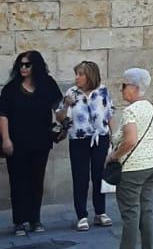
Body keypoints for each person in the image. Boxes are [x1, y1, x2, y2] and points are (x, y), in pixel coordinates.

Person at [0, 50, 62, 237]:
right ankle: (20, 221)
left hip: (41, 141)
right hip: (17, 142)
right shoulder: (11, 89)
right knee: (18, 181)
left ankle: (35, 219)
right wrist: (5, 139)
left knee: (36, 180)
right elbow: (3, 115)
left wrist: (64, 117)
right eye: (21, 65)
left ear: (36, 66)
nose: (23, 68)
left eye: (27, 65)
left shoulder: (47, 85)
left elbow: (58, 107)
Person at [104, 68, 153, 249]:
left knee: (130, 213)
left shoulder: (131, 111)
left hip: (132, 168)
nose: (122, 90)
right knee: (147, 211)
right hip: (152, 164)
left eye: (124, 86)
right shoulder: (152, 109)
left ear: (135, 88)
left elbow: (130, 140)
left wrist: (112, 156)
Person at [56, 59, 114, 232]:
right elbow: (60, 116)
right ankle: (81, 215)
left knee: (99, 175)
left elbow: (110, 113)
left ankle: (100, 212)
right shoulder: (71, 93)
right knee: (80, 177)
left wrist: (115, 136)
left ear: (90, 76)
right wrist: (66, 104)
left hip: (100, 138)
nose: (77, 77)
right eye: (77, 74)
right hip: (79, 139)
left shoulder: (102, 91)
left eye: (81, 74)